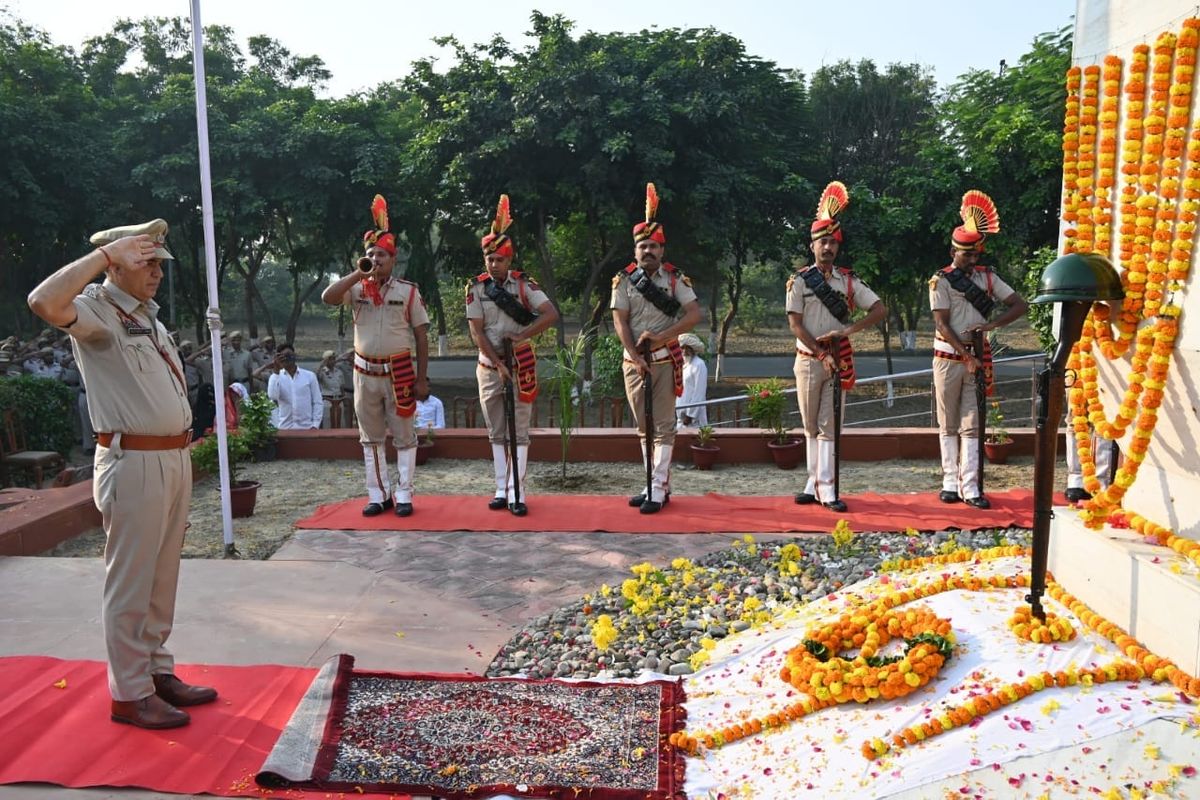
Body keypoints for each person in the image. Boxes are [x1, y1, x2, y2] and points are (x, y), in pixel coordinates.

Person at [26, 218, 216, 730]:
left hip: (171, 459)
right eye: (146, 262)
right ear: (117, 263)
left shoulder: (147, 317)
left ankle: (155, 671)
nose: (156, 272)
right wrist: (106, 257)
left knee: (160, 579)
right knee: (131, 582)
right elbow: (43, 303)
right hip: (133, 461)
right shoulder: (97, 310)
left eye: (159, 263)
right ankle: (129, 693)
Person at [321, 194, 430, 517]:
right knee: (370, 438)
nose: (376, 259)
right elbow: (328, 297)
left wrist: (422, 378)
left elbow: (422, 336)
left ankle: (405, 493)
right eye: (370, 254)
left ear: (393, 259)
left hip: (399, 372)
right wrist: (360, 273)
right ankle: (377, 494)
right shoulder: (356, 289)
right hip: (364, 373)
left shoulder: (407, 291)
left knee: (404, 436)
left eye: (381, 255)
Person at [786, 182, 886, 513]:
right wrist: (819, 354)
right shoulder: (800, 281)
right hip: (809, 359)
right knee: (810, 424)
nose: (827, 247)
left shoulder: (849, 280)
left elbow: (879, 309)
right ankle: (812, 483)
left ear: (837, 246)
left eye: (832, 242)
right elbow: (795, 324)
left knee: (830, 425)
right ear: (812, 245)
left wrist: (849, 330)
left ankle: (827, 489)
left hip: (838, 357)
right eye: (822, 241)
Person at [929, 190, 1029, 509]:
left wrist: (993, 325)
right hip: (949, 357)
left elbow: (1018, 304)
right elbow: (942, 324)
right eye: (965, 255)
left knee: (974, 421)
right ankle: (949, 481)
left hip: (977, 356)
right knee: (948, 420)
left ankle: (970, 485)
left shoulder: (987, 277)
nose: (972, 260)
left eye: (975, 255)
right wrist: (967, 356)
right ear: (953, 251)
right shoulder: (941, 280)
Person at [611, 183, 703, 514]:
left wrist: (665, 337)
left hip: (665, 360)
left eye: (653, 246)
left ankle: (658, 488)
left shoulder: (676, 280)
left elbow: (694, 315)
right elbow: (619, 321)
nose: (647, 251)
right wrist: (634, 357)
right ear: (635, 250)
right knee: (643, 426)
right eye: (642, 246)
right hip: (633, 362)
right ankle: (653, 481)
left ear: (662, 250)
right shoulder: (623, 280)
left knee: (663, 425)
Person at [466, 194, 559, 516]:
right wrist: (496, 362)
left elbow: (549, 314)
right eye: (489, 259)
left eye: (500, 259)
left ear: (509, 260)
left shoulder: (523, 285)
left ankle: (517, 491)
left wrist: (522, 336)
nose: (494, 264)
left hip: (521, 364)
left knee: (519, 430)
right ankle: (500, 488)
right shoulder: (476, 289)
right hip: (490, 366)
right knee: (496, 431)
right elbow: (476, 332)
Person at [265, 343, 322, 430]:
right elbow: (272, 396)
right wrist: (276, 370)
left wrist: (315, 425)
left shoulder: (309, 376)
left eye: (290, 355)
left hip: (306, 427)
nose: (288, 358)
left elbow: (317, 401)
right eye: (285, 356)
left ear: (295, 356)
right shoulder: (276, 377)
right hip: (285, 428)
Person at [675, 332, 708, 428]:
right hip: (681, 418)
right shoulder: (682, 365)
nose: (684, 351)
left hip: (693, 420)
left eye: (687, 348)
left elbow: (699, 392)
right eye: (682, 348)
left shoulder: (699, 364)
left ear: (693, 349)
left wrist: (690, 415)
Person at [316, 349, 345, 428]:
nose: (333, 361)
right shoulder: (322, 371)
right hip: (327, 399)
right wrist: (322, 364)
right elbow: (317, 376)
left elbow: (342, 386)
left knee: (340, 421)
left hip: (338, 399)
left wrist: (343, 398)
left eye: (334, 359)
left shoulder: (339, 371)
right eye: (330, 359)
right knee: (327, 421)